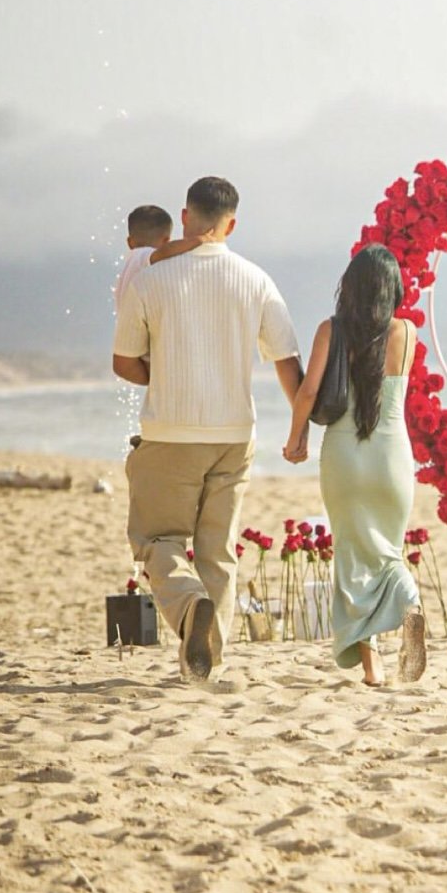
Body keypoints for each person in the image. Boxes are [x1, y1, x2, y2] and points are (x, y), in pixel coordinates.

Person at [113, 177, 304, 683]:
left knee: (158, 540)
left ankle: (190, 608)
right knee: (218, 549)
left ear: (186, 217)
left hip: (170, 433)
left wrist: (166, 373)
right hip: (235, 434)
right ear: (232, 223)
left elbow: (124, 362)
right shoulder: (256, 279)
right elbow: (287, 358)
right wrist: (300, 425)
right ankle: (207, 665)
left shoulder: (149, 281)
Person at [282, 243, 425, 687]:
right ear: (393, 287)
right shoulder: (408, 332)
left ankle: (373, 665)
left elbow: (307, 392)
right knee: (387, 553)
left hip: (345, 456)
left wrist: (295, 438)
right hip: (392, 457)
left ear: (351, 286)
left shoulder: (332, 330)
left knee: (352, 556)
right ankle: (411, 605)